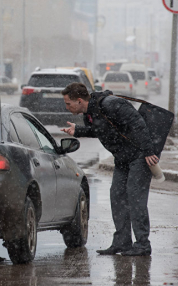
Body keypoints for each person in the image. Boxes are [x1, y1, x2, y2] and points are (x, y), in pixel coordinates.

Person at [60, 82, 158, 256]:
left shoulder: (110, 104)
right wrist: (78, 131)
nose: (67, 107)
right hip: (122, 158)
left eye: (68, 103)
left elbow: (138, 122)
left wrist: (149, 150)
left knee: (135, 198)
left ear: (80, 100)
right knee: (117, 197)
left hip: (139, 156)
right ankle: (122, 242)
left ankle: (143, 244)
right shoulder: (90, 113)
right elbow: (99, 130)